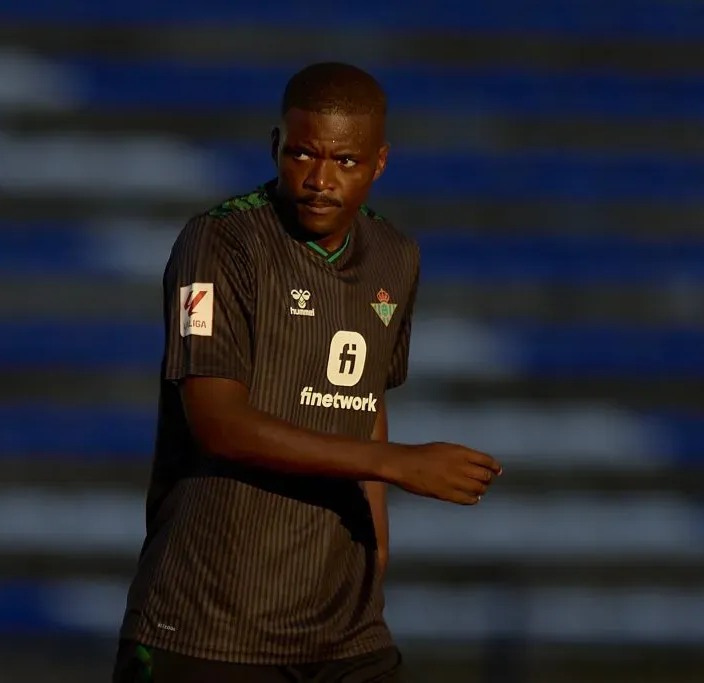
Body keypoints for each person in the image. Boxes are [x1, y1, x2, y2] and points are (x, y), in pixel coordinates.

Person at [113, 61, 502, 683]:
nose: (320, 179)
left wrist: (376, 539)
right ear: (276, 146)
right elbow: (217, 424)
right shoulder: (219, 243)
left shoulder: (395, 256)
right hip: (211, 622)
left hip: (344, 630)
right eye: (301, 154)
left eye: (345, 161)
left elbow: (365, 399)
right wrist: (396, 464)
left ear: (378, 163)